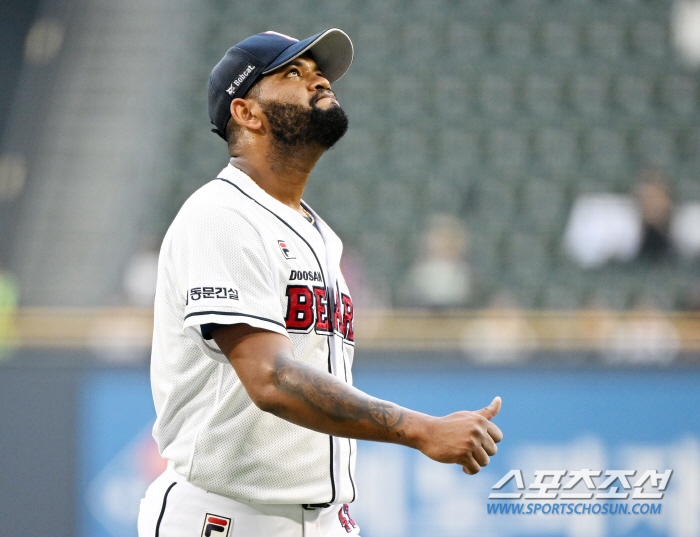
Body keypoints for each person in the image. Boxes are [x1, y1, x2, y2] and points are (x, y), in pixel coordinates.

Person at [138, 28, 503, 537]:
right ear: (246, 112)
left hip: (325, 520)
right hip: (225, 518)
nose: (319, 80)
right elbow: (271, 379)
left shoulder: (317, 233)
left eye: (319, 71)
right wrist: (422, 429)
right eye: (294, 72)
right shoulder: (218, 214)